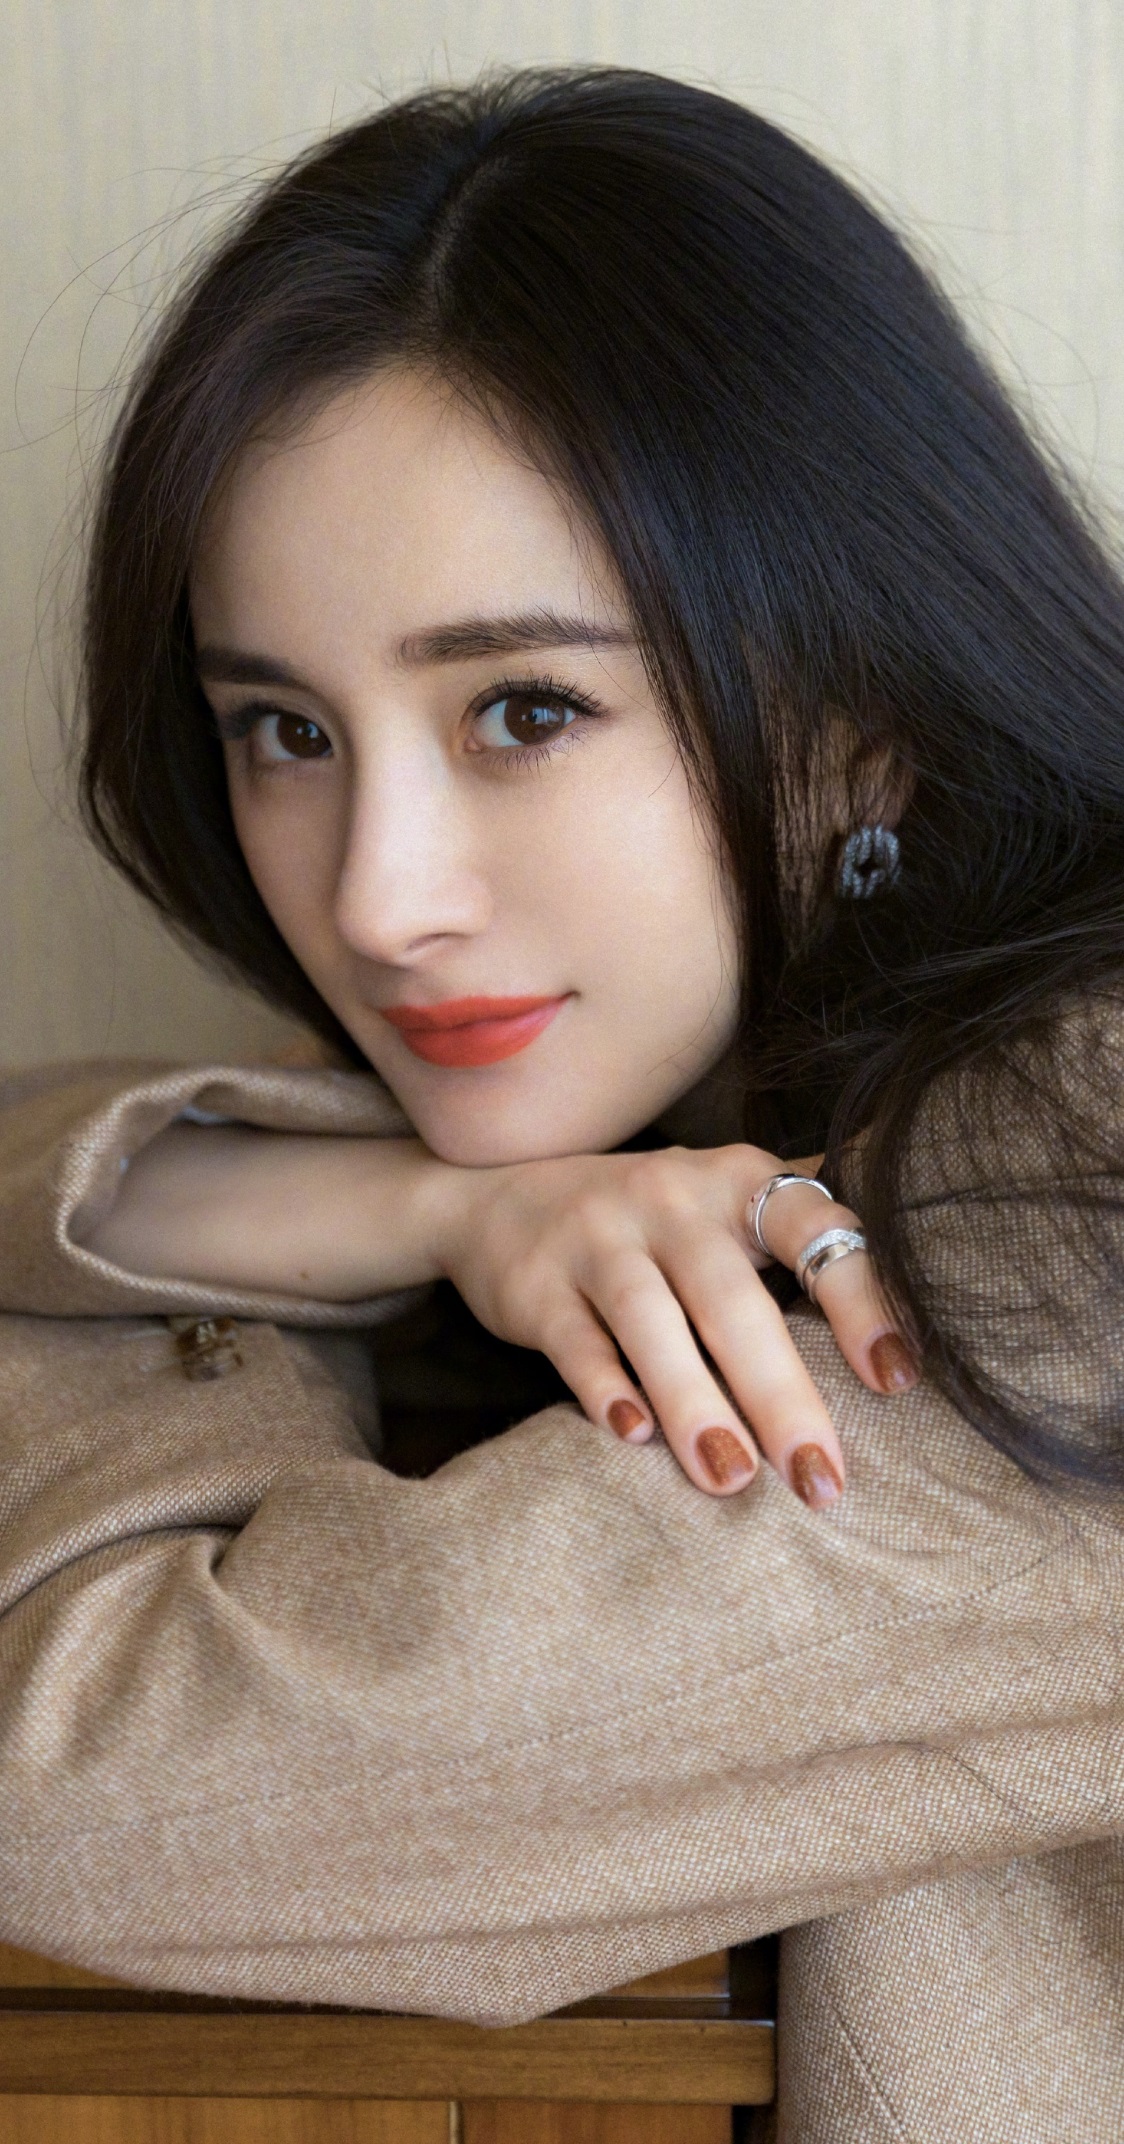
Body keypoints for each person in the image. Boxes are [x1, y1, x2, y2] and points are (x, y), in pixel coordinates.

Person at [2, 66, 1123, 2139]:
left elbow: (103, 1794)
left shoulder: (1079, 1190)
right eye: (283, 729)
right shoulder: (738, 1115)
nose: (377, 899)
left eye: (523, 708)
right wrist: (431, 1213)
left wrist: (257, 1244)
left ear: (867, 717)